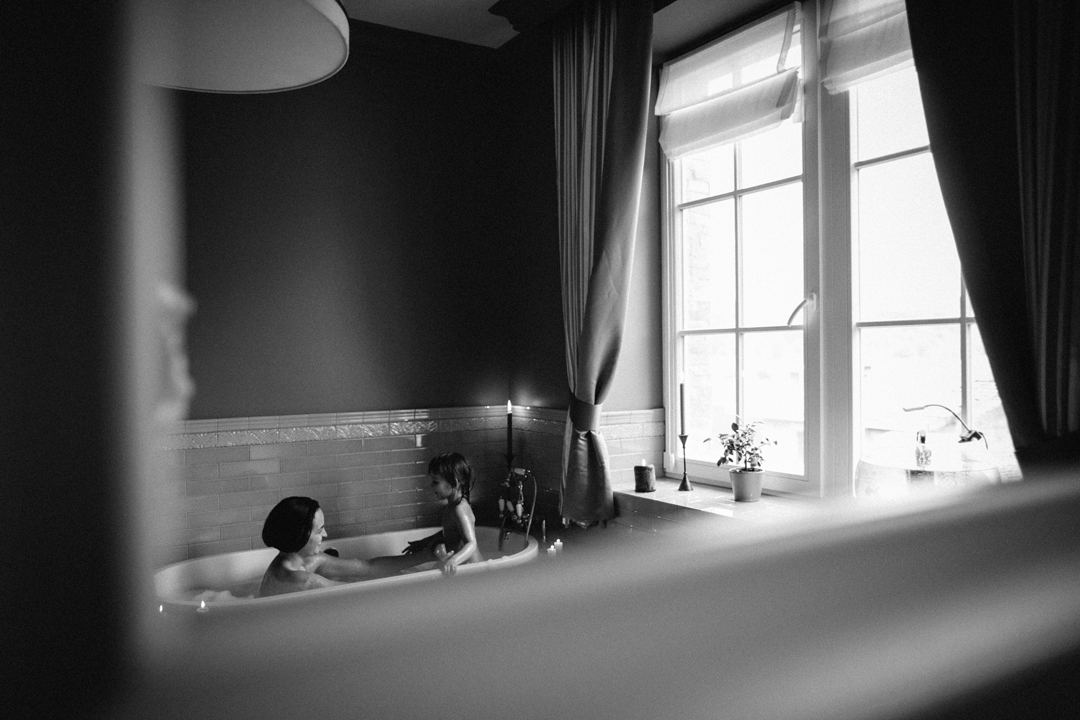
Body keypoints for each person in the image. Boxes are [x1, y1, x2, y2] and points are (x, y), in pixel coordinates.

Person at [258, 496, 374, 597]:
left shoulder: (282, 566)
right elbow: (358, 594)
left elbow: (366, 567)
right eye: (319, 530)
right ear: (301, 535)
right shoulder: (304, 582)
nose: (325, 534)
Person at [401, 452, 484, 576]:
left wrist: (454, 560)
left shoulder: (460, 509)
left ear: (454, 482)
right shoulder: (451, 506)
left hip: (474, 570)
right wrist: (424, 542)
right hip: (464, 569)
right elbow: (451, 532)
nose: (431, 485)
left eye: (435, 481)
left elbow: (471, 544)